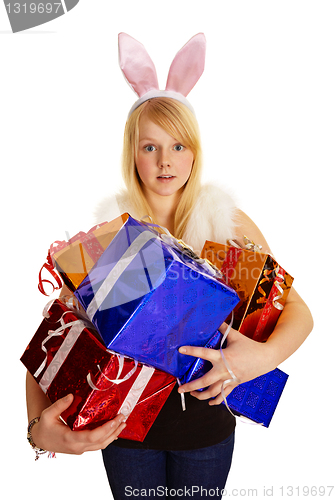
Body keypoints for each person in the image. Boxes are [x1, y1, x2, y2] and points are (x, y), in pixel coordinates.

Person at [25, 33, 313, 498]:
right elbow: (57, 336)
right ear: (131, 154)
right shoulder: (107, 237)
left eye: (179, 146)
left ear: (196, 151)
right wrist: (37, 428)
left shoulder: (228, 225)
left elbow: (299, 313)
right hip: (123, 435)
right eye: (150, 147)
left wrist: (258, 358)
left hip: (207, 432)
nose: (165, 162)